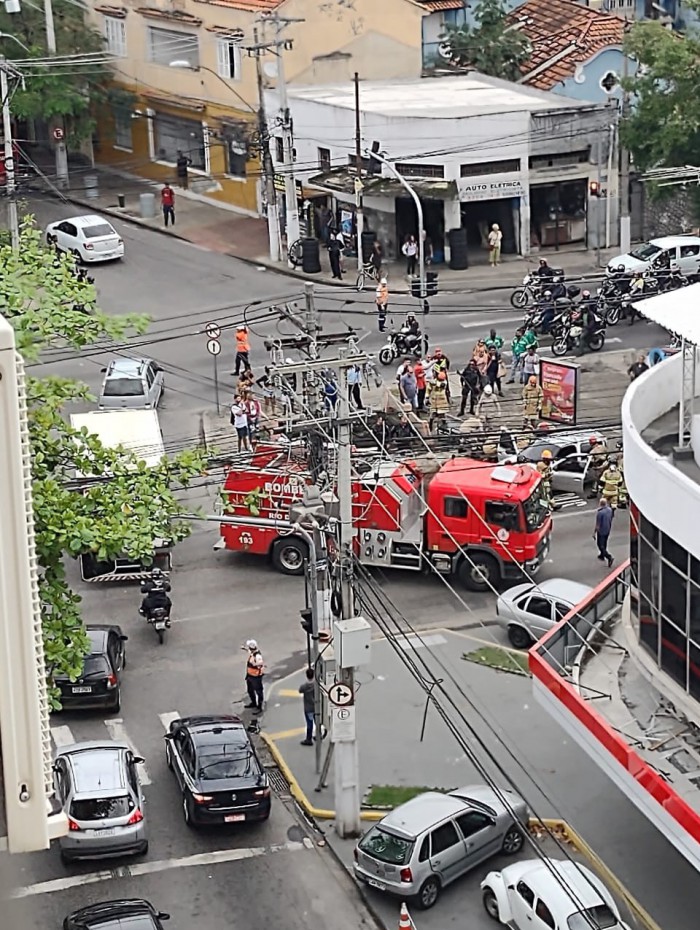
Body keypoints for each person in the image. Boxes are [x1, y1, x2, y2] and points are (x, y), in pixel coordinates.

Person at [243, 639, 265, 713]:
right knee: (250, 690)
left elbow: (260, 664)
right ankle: (253, 703)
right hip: (250, 676)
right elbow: (248, 651)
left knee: (259, 691)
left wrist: (254, 663)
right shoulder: (252, 653)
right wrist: (244, 649)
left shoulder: (257, 656)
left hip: (256, 677)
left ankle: (260, 707)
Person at [593, 498, 614, 568]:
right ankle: (602, 555)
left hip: (601, 531)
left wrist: (594, 533)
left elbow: (598, 525)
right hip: (607, 529)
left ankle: (609, 557)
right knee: (604, 542)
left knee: (600, 545)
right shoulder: (610, 510)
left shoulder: (600, 513)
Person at [299, 668, 315, 746]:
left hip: (308, 708)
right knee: (317, 722)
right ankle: (319, 735)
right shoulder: (316, 685)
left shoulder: (304, 686)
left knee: (309, 723)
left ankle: (309, 739)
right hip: (316, 706)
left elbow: (300, 690)